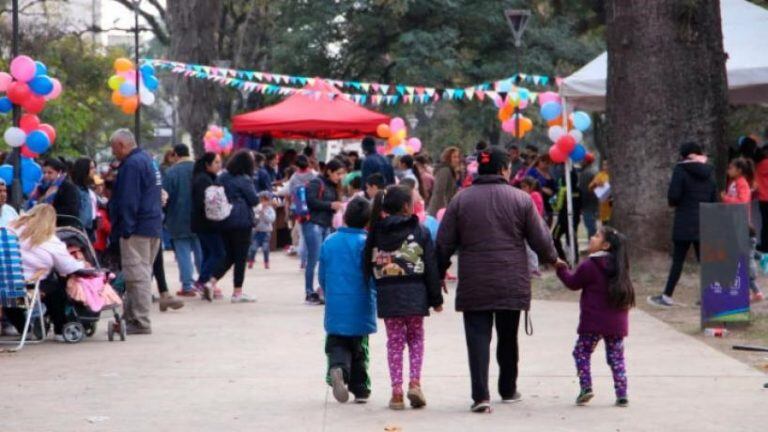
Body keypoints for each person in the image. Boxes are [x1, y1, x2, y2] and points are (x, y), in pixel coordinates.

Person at [436, 147, 559, 413]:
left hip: (474, 280)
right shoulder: (521, 199)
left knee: (477, 338)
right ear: (505, 170)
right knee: (507, 336)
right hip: (510, 278)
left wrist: (438, 272)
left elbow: (444, 243)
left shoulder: (460, 200)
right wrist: (554, 259)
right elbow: (540, 239)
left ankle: (480, 396)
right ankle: (508, 388)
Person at [365, 185, 443, 410]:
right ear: (407, 206)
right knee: (416, 339)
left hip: (389, 297)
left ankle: (397, 393)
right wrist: (436, 300)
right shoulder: (420, 231)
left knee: (395, 343)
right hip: (415, 295)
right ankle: (415, 384)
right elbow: (430, 267)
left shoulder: (376, 232)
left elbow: (370, 265)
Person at [555, 226, 634, 408]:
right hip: (616, 322)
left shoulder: (589, 266)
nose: (591, 237)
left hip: (593, 321)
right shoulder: (621, 266)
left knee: (581, 352)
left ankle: (586, 387)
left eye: (596, 236)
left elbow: (572, 283)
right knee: (616, 357)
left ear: (605, 245)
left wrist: (561, 269)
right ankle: (622, 394)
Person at [320, 198, 376, 404]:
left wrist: (329, 294)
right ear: (367, 220)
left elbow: (323, 276)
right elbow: (373, 277)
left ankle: (338, 369)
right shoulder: (367, 244)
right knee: (360, 348)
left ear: (344, 217)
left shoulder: (329, 242)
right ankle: (360, 389)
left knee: (337, 343)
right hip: (361, 306)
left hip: (336, 305)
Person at [649, 143, 717, 307]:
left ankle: (667, 296)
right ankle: (711, 297)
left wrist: (675, 203)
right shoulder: (709, 171)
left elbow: (674, 195)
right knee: (706, 262)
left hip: (684, 220)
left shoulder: (680, 170)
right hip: (705, 220)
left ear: (684, 155)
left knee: (678, 261)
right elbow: (713, 197)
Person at [108, 128, 163, 334]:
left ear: (122, 145)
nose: (114, 153)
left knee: (136, 275)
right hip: (152, 225)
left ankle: (140, 320)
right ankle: (131, 316)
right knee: (141, 273)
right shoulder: (148, 161)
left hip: (137, 228)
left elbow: (129, 199)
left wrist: (126, 228)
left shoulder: (131, 165)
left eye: (114, 149)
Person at [4, 204, 86, 341]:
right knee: (56, 289)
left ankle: (25, 328)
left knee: (10, 298)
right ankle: (60, 329)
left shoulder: (9, 231)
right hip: (30, 285)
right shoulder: (49, 241)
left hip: (5, 286)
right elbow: (67, 267)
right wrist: (82, 264)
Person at [208, 150, 259, 303]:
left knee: (229, 255)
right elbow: (254, 200)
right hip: (241, 221)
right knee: (241, 257)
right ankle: (237, 292)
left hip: (223, 219)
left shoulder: (222, 177)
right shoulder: (244, 179)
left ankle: (210, 282)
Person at [721, 158, 764, 302]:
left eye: (731, 168)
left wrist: (726, 199)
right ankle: (755, 292)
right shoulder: (735, 183)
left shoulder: (742, 183)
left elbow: (742, 203)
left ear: (739, 170)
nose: (728, 170)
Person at [303, 159, 345, 305]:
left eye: (342, 174)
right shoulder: (317, 182)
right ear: (329, 171)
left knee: (325, 259)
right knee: (313, 259)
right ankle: (309, 291)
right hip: (314, 224)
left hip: (326, 225)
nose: (340, 177)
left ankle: (322, 290)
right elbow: (311, 201)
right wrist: (330, 205)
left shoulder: (333, 186)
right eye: (338, 173)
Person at [163, 144, 202, 297]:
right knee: (200, 249)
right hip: (198, 218)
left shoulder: (172, 172)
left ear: (176, 155)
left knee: (183, 252)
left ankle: (187, 285)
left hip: (177, 217)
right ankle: (205, 280)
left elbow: (164, 196)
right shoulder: (198, 169)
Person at [191, 152, 225, 299]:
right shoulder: (203, 180)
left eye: (220, 162)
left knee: (208, 253)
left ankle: (204, 282)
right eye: (216, 162)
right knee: (219, 253)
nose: (219, 165)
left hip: (204, 223)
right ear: (207, 164)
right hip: (207, 223)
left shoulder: (209, 178)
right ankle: (202, 280)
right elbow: (203, 203)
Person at [28, 158, 80, 224]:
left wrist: (48, 211)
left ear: (59, 172)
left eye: (50, 173)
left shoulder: (68, 187)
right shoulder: (42, 187)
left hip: (62, 226)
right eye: (44, 173)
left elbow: (71, 210)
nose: (46, 175)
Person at [427, 146, 460, 217]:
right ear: (448, 158)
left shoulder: (450, 171)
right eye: (454, 157)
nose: (457, 159)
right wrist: (444, 212)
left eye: (457, 157)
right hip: (438, 212)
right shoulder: (444, 170)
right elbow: (439, 192)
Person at [70, 158, 97, 239]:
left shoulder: (88, 189)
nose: (94, 171)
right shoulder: (75, 190)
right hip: (80, 232)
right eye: (91, 168)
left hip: (89, 230)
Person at [248, 191, 276, 270]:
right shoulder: (257, 208)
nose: (264, 202)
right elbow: (254, 218)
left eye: (266, 200)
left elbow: (271, 220)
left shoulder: (270, 210)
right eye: (262, 200)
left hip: (266, 232)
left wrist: (264, 214)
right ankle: (251, 261)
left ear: (269, 201)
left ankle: (266, 262)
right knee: (253, 248)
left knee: (265, 248)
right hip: (257, 232)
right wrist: (258, 213)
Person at [579, 154, 599, 237]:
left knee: (591, 228)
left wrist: (580, 204)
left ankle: (593, 247)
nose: (580, 162)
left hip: (588, 204)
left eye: (582, 160)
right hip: (594, 203)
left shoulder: (586, 173)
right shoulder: (594, 171)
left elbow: (583, 190)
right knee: (592, 227)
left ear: (586, 161)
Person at [590, 159, 612, 226]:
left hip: (614, 208)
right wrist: (597, 184)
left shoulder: (616, 175)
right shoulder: (600, 175)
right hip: (604, 209)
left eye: (607, 164)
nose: (606, 166)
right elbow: (590, 187)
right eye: (604, 164)